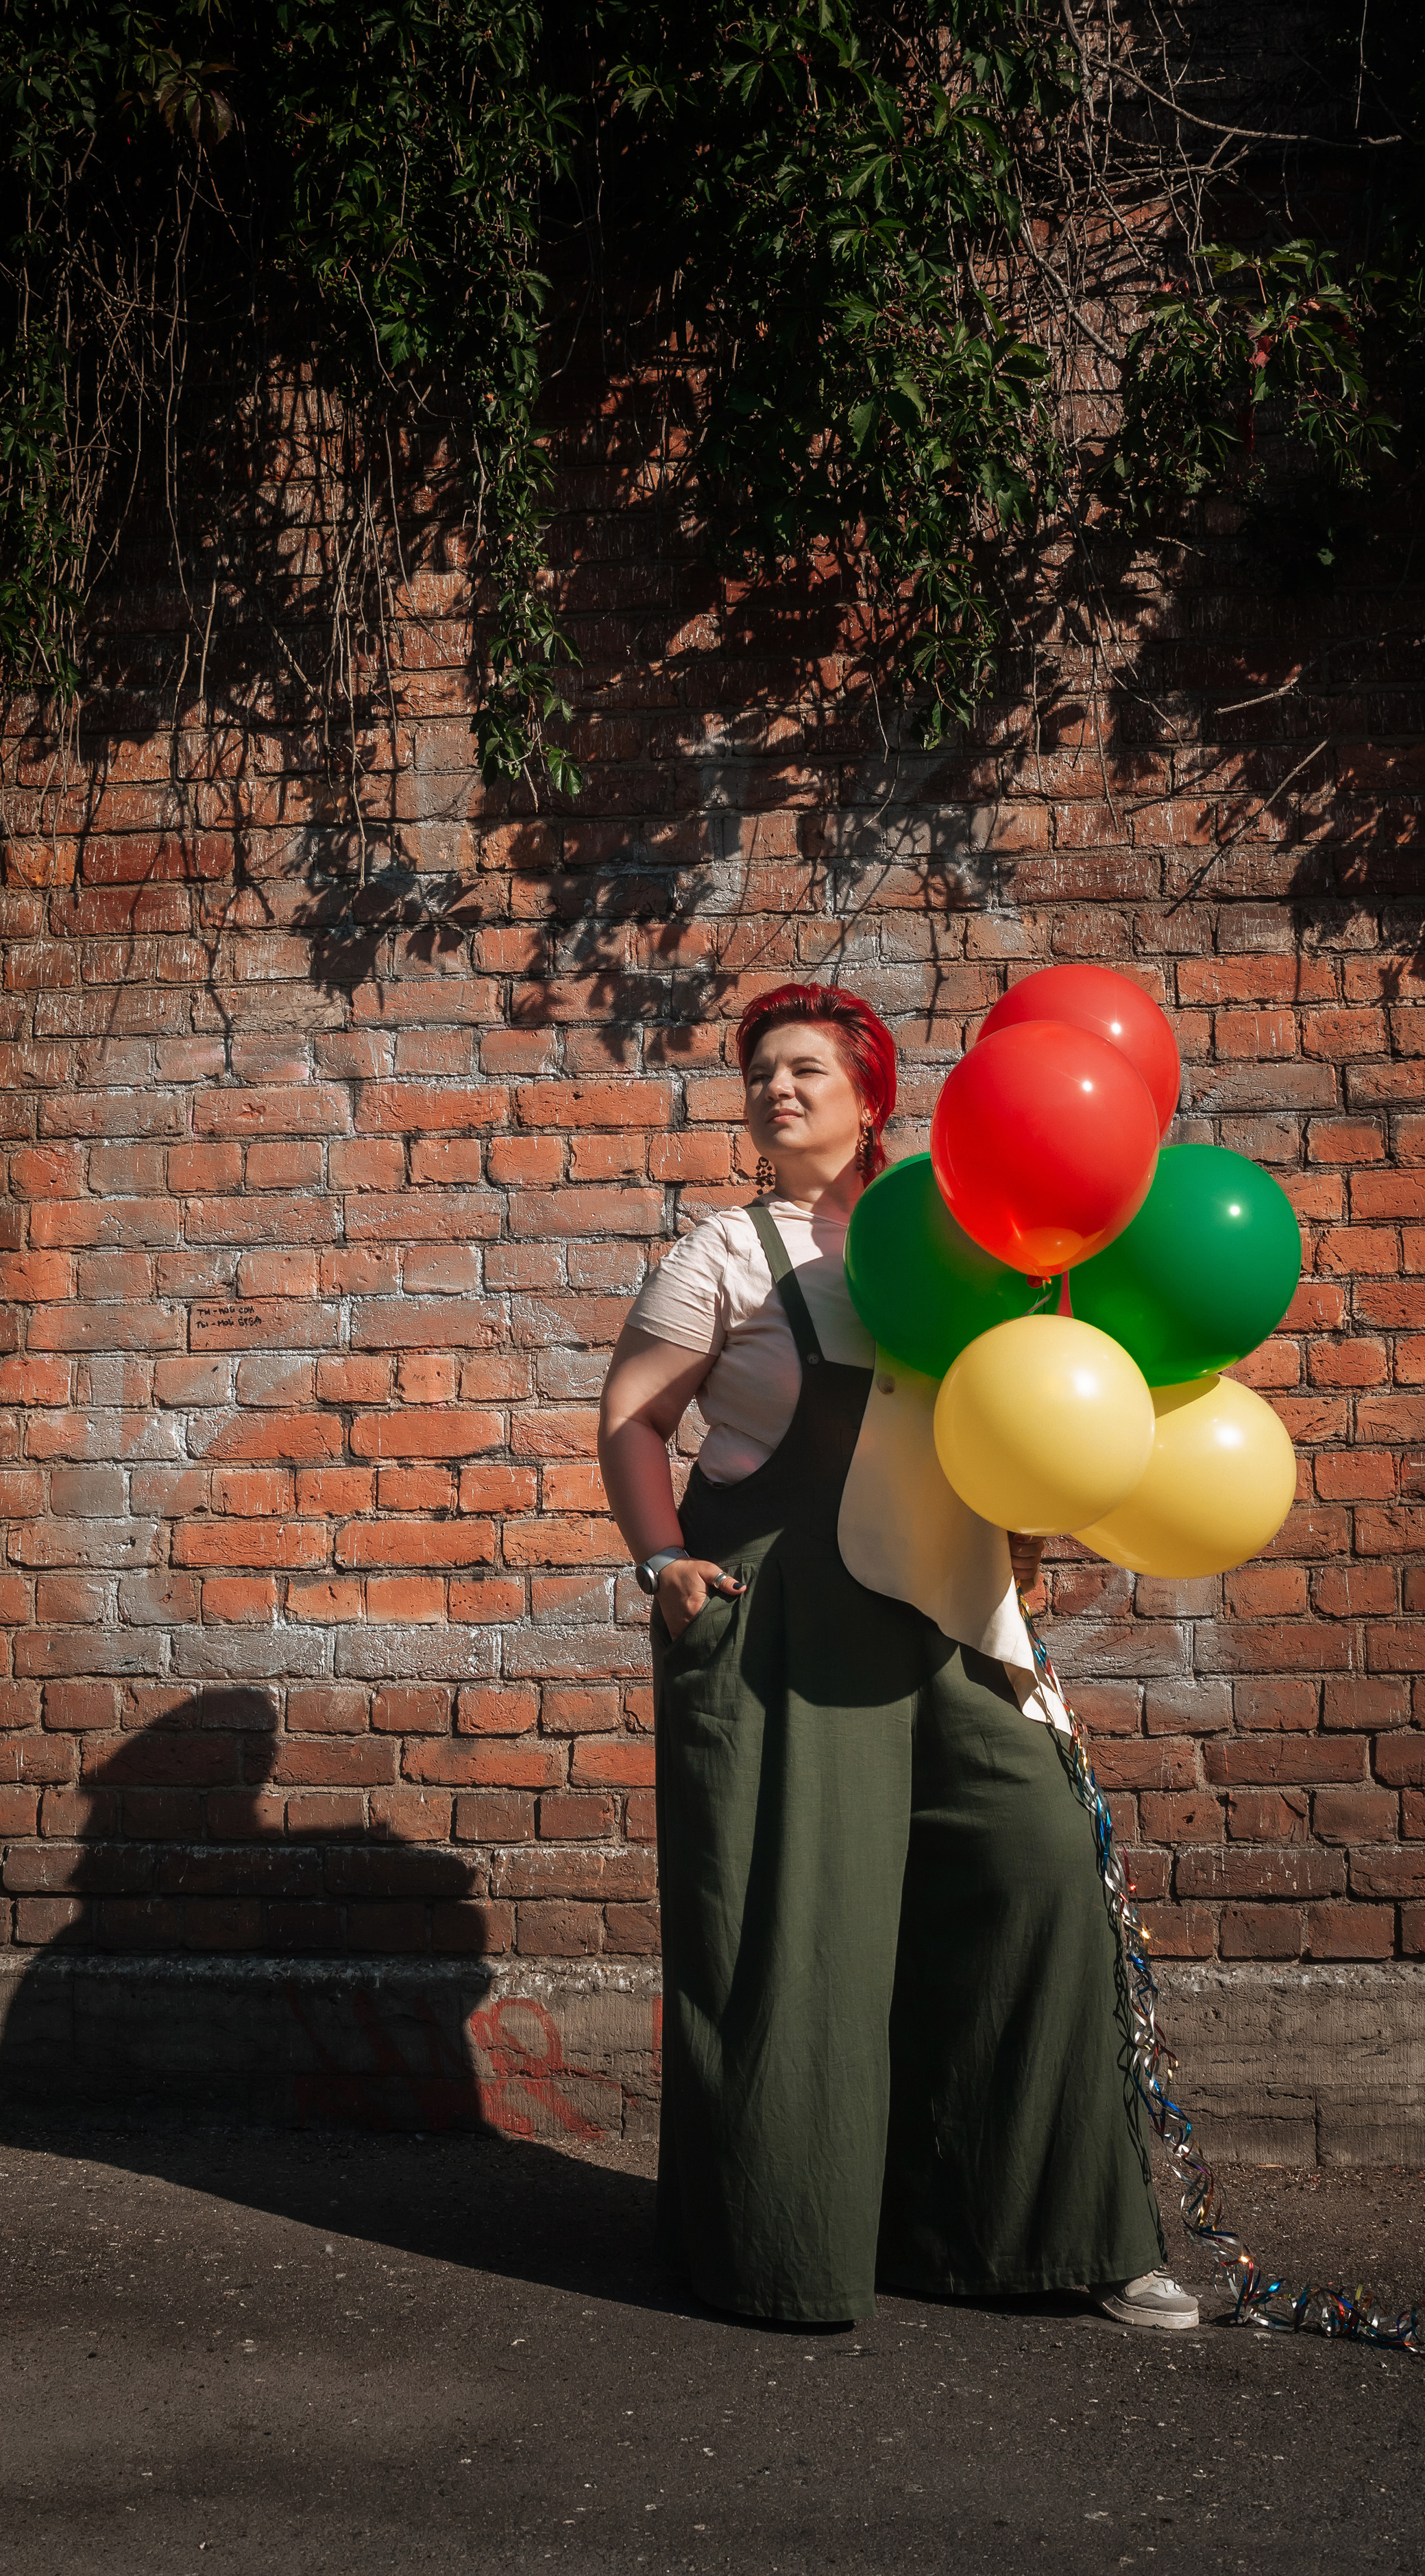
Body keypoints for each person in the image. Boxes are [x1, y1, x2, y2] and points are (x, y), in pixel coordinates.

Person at [598, 981, 1196, 2331]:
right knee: (795, 1930)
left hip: (950, 1614)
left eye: (804, 1069)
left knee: (1036, 1870)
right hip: (779, 1616)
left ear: (872, 1096)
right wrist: (658, 1558)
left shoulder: (964, 1228)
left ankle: (1063, 2236)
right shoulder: (722, 1256)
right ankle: (780, 2243)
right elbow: (631, 1420)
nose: (775, 1091)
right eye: (757, 1073)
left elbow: (1033, 1394)